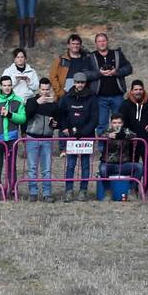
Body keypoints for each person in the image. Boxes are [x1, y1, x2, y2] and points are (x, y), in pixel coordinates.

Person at [58, 72, 97, 200]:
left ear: (85, 83)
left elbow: (95, 118)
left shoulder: (92, 97)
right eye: (77, 82)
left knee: (85, 165)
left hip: (86, 137)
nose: (80, 85)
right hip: (71, 136)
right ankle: (69, 190)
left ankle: (83, 190)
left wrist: (84, 132)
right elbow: (61, 114)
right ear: (74, 83)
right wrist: (64, 128)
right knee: (70, 165)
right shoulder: (66, 96)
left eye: (82, 82)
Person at [21, 79, 59, 202]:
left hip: (47, 139)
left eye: (47, 89)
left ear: (50, 89)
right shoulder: (31, 101)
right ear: (38, 89)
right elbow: (27, 115)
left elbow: (58, 121)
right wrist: (37, 103)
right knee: (32, 167)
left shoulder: (53, 103)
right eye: (42, 89)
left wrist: (55, 123)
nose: (44, 92)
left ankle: (47, 193)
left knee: (46, 169)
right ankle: (33, 192)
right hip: (32, 137)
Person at [98, 114, 144, 199]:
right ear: (111, 123)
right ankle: (107, 191)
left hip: (123, 164)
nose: (117, 125)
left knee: (139, 167)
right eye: (114, 123)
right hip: (109, 164)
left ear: (122, 123)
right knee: (102, 169)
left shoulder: (125, 130)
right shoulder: (107, 131)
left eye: (119, 122)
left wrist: (123, 135)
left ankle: (132, 190)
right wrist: (108, 136)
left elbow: (134, 135)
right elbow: (100, 136)